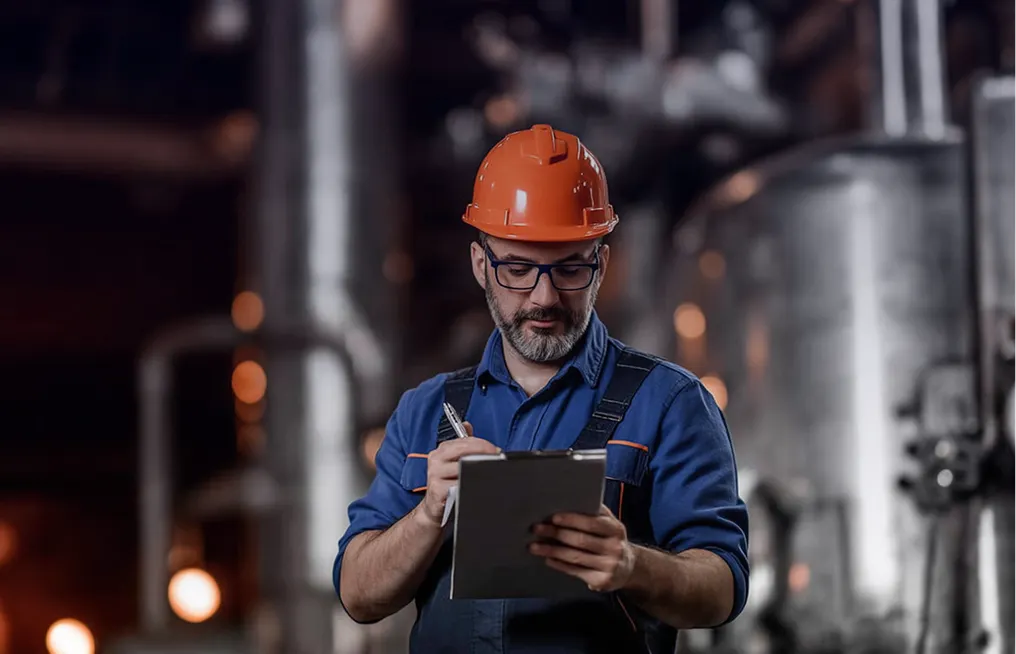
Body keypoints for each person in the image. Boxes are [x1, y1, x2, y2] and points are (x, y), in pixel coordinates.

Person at [333, 124, 749, 653]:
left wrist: (631, 564)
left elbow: (722, 589)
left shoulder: (670, 403)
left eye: (570, 267)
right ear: (481, 265)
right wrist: (428, 513)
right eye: (518, 268)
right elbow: (358, 595)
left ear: (600, 264)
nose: (544, 296)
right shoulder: (425, 411)